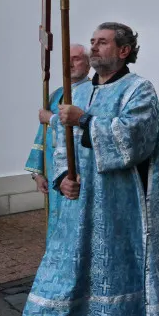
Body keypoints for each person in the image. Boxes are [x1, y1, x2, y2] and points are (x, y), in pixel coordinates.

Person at [1, 23, 159, 316]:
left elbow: (135, 141)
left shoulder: (139, 90)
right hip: (77, 203)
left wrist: (85, 121)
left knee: (120, 263)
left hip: (120, 204)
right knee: (64, 265)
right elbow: (61, 145)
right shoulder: (76, 93)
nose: (95, 48)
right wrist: (63, 177)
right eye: (93, 42)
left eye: (102, 43)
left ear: (124, 51)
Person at [25, 44, 91, 232]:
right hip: (54, 172)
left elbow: (85, 129)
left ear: (88, 65)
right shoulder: (56, 95)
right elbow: (42, 135)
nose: (70, 64)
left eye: (76, 59)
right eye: (66, 60)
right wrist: (38, 173)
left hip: (77, 175)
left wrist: (52, 119)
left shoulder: (93, 94)